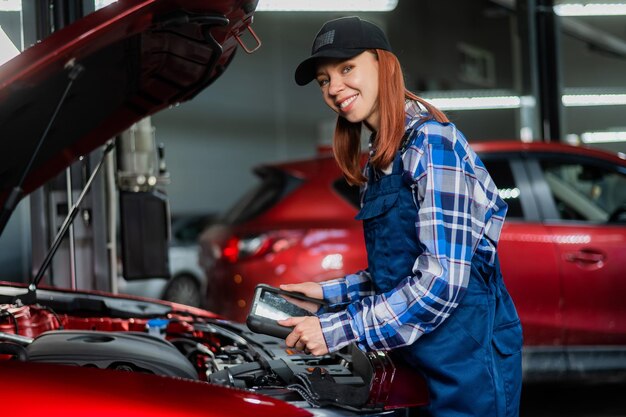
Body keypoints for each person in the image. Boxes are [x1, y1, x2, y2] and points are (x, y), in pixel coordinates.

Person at [277, 16, 523, 417]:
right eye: (324, 80)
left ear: (383, 64)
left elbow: (441, 281)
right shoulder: (382, 156)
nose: (334, 88)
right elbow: (401, 270)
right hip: (413, 351)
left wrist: (336, 330)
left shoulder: (432, 143)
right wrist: (327, 295)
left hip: (466, 358)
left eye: (346, 68)